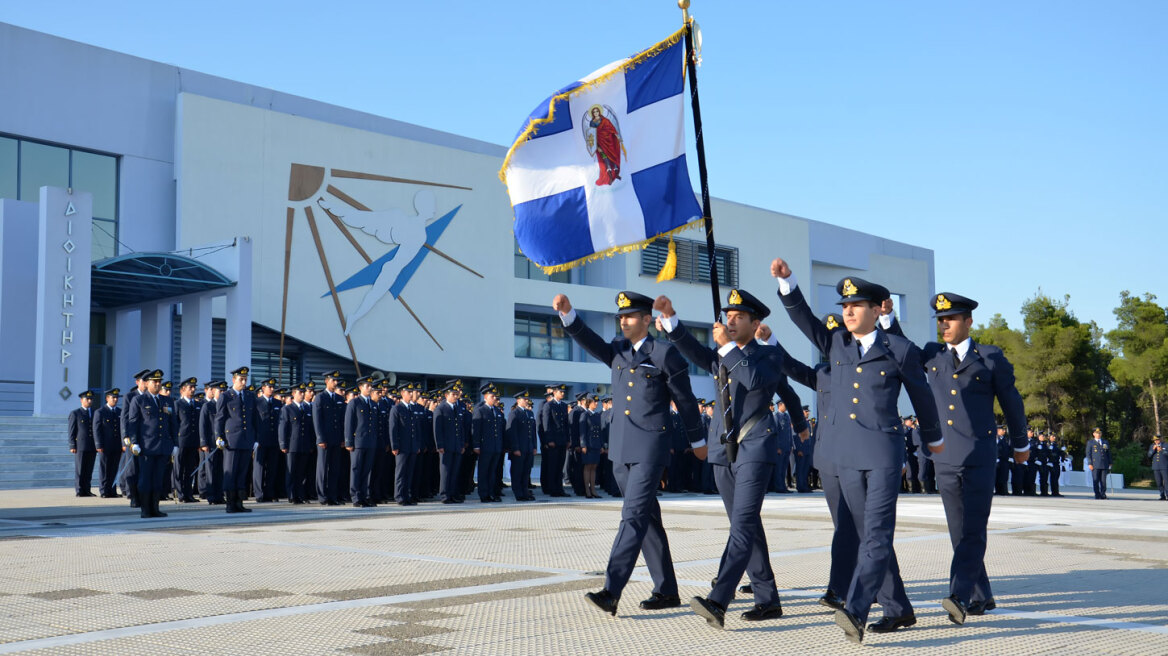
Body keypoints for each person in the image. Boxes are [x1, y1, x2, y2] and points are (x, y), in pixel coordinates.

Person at [771, 260, 942, 645]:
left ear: (877, 309)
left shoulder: (899, 349)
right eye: (844, 306)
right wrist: (787, 282)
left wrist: (933, 439)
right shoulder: (836, 344)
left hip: (882, 454)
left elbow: (922, 396)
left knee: (876, 535)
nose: (848, 312)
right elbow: (803, 318)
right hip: (846, 456)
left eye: (856, 305)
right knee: (868, 536)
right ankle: (898, 608)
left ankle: (857, 609)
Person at [656, 289, 806, 628]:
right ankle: (768, 599)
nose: (731, 321)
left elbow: (752, 379)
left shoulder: (769, 356)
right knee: (747, 526)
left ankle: (718, 600)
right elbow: (692, 350)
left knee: (742, 525)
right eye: (728, 316)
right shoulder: (721, 355)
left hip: (754, 448)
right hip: (723, 451)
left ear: (756, 323)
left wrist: (726, 347)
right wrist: (672, 320)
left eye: (739, 317)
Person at [554, 290, 706, 618]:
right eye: (620, 317)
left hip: (650, 448)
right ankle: (667, 590)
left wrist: (697, 440)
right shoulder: (617, 350)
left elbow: (685, 399)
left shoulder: (664, 353)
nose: (623, 321)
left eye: (630, 316)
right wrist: (568, 314)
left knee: (632, 517)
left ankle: (611, 591)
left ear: (647, 319)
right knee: (647, 520)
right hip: (621, 450)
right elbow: (589, 340)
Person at [893, 292, 1029, 624]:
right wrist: (886, 317)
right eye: (940, 320)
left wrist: (1020, 443)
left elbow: (1011, 402)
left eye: (950, 319)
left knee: (974, 528)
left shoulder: (990, 357)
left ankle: (959, 595)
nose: (944, 325)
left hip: (979, 454)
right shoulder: (932, 354)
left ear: (968, 321)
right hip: (945, 456)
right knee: (958, 530)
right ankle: (982, 595)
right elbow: (901, 347)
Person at [125, 369, 176, 519]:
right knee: (145, 480)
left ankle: (155, 508)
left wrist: (175, 444)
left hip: (163, 446)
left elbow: (173, 423)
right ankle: (145, 509)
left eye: (159, 382)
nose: (158, 384)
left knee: (158, 480)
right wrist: (134, 442)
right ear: (147, 383)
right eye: (155, 382)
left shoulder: (167, 401)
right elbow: (133, 423)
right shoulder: (139, 400)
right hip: (146, 447)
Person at [215, 366, 257, 514]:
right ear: (234, 380)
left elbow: (254, 418)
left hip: (246, 439)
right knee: (231, 472)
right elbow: (219, 418)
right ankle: (230, 503)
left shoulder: (250, 396)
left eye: (245, 379)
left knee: (242, 472)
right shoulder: (226, 396)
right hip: (231, 440)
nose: (244, 382)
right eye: (241, 379)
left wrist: (255, 438)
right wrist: (219, 436)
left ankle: (239, 503)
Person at [344, 376, 378, 507]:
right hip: (358, 442)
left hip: (370, 442)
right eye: (367, 386)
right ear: (360, 387)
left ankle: (364, 496)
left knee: (367, 470)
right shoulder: (355, 403)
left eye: (370, 386)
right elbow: (349, 424)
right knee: (356, 469)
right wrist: (349, 442)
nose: (370, 388)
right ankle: (356, 497)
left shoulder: (373, 404)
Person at [313, 371, 346, 506]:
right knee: (322, 468)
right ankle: (322, 496)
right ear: (326, 381)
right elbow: (317, 420)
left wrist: (343, 438)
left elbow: (342, 420)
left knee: (334, 468)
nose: (335, 383)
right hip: (325, 439)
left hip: (336, 438)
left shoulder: (339, 399)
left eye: (336, 381)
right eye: (333, 380)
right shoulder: (320, 398)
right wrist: (320, 438)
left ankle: (332, 496)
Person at [473, 383, 506, 503]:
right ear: (486, 397)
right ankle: (484, 494)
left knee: (493, 472)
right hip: (485, 447)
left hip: (496, 447)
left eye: (495, 396)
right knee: (484, 471)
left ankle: (492, 493)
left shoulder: (497, 411)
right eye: (492, 396)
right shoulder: (480, 411)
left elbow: (500, 430)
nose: (495, 398)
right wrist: (476, 445)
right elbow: (476, 430)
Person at [434, 382, 466, 504]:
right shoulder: (441, 409)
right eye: (453, 394)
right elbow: (437, 429)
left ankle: (453, 494)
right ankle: (444, 495)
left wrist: (462, 444)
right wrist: (439, 445)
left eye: (457, 394)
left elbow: (461, 428)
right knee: (445, 471)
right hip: (446, 446)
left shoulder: (457, 409)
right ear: (446, 395)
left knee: (454, 471)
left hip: (456, 445)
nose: (456, 396)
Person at [280, 384, 312, 504]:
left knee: (301, 472)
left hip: (304, 445)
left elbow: (309, 428)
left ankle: (300, 494)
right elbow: (283, 428)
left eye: (303, 392)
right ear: (293, 394)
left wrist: (310, 444)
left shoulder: (307, 408)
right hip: (292, 445)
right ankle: (292, 495)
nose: (302, 394)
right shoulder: (287, 409)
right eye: (300, 392)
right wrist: (283, 444)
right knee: (291, 471)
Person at [172, 377, 201, 503]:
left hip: (193, 441)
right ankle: (180, 494)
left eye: (194, 387)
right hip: (181, 441)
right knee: (179, 468)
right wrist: (175, 441)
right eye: (190, 388)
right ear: (182, 390)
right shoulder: (178, 404)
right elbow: (174, 424)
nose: (193, 390)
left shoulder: (197, 404)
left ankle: (188, 493)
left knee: (190, 469)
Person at [505, 390, 538, 501]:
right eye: (525, 399)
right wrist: (515, 448)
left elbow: (532, 432)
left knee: (526, 472)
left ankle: (525, 492)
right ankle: (518, 493)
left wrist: (534, 446)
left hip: (528, 448)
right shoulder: (514, 413)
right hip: (519, 448)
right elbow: (511, 432)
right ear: (518, 400)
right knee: (517, 472)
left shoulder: (529, 413)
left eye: (527, 399)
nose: (527, 401)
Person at [539, 385, 570, 497]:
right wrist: (549, 440)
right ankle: (552, 489)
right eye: (561, 392)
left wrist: (568, 439)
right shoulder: (548, 405)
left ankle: (559, 489)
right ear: (555, 393)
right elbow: (546, 424)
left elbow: (566, 424)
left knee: (560, 466)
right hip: (554, 441)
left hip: (562, 441)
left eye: (563, 392)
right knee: (553, 466)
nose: (563, 393)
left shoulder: (564, 405)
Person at [93, 388, 122, 498]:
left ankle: (112, 490)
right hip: (105, 445)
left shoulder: (119, 412)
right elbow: (97, 429)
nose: (115, 399)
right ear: (107, 398)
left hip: (117, 445)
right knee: (105, 468)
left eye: (116, 397)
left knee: (114, 468)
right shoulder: (100, 412)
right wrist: (98, 444)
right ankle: (104, 490)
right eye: (113, 397)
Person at [68, 390, 98, 497]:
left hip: (92, 445)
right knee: (80, 469)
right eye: (87, 399)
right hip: (80, 445)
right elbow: (72, 430)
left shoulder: (95, 412)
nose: (89, 401)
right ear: (81, 400)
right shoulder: (75, 413)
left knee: (89, 469)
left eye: (91, 399)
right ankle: (79, 490)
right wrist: (72, 444)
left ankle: (87, 489)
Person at [580, 395, 605, 498]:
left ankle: (593, 489)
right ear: (589, 403)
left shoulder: (597, 415)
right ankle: (587, 490)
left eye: (597, 402)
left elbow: (600, 431)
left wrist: (601, 445)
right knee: (588, 467)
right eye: (594, 402)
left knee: (594, 467)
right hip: (588, 444)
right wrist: (583, 445)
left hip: (596, 444)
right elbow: (582, 431)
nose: (596, 403)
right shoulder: (585, 415)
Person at [1086, 428, 1112, 499]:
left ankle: (1103, 494)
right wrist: (1090, 463)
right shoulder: (1091, 442)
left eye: (1100, 433)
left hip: (1104, 464)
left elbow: (1108, 453)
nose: (1098, 434)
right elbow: (1088, 454)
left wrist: (1110, 462)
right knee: (1096, 480)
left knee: (1103, 481)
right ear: (1094, 434)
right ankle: (1097, 494)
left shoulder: (1105, 442)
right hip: (1095, 465)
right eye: (1097, 433)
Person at [1150, 435, 1167, 500]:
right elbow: (1149, 455)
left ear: (1160, 439)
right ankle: (1162, 495)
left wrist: (1161, 450)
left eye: (1157, 440)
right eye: (1155, 440)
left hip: (1164, 466)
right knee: (1159, 482)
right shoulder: (1152, 446)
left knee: (1166, 482)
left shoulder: (1166, 445)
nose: (1156, 441)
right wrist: (1153, 449)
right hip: (1156, 467)